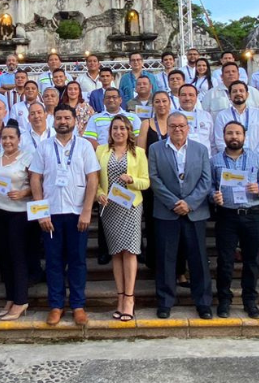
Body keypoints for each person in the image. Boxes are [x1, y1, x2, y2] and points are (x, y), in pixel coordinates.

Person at [29, 105, 99, 326]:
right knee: (53, 262)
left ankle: (78, 305)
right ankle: (56, 305)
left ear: (74, 120)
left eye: (67, 117)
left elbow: (93, 179)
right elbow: (35, 179)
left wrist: (87, 210)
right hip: (51, 214)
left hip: (78, 213)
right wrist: (41, 213)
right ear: (53, 120)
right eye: (58, 117)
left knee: (78, 261)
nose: (62, 121)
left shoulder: (85, 146)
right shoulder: (44, 147)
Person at [148, 112, 214, 319]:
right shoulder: (155, 149)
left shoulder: (201, 149)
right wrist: (173, 203)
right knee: (166, 258)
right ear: (167, 127)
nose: (178, 129)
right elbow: (154, 178)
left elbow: (206, 180)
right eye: (173, 126)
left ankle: (203, 302)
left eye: (181, 126)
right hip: (167, 211)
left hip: (195, 212)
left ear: (188, 127)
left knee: (199, 259)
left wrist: (190, 203)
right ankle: (166, 301)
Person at [211, 120, 259, 318]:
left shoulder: (256, 158)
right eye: (230, 133)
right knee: (225, 261)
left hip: (252, 214)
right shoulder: (215, 161)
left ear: (244, 136)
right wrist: (213, 195)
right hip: (226, 215)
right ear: (224, 136)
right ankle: (224, 300)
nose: (234, 137)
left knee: (252, 261)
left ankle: (250, 301)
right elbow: (209, 185)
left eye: (238, 133)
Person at [95, 116, 150, 322]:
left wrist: (132, 179)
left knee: (130, 251)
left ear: (129, 131)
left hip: (130, 206)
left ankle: (129, 299)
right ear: (110, 131)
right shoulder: (101, 151)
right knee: (116, 253)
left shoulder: (139, 153)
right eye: (115, 128)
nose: (118, 132)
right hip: (109, 207)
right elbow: (95, 180)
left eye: (122, 128)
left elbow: (146, 182)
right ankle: (120, 297)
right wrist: (98, 194)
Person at [0, 124, 33, 321]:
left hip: (20, 214)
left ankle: (21, 300)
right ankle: (10, 298)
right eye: (4, 138)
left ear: (18, 139)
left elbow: (37, 182)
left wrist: (24, 192)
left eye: (11, 138)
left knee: (18, 257)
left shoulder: (27, 158)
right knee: (4, 258)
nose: (7, 141)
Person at [212, 80, 259, 155]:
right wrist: (234, 155)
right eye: (234, 91)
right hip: (230, 159)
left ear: (247, 95)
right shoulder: (222, 116)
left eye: (241, 91)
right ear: (229, 96)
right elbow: (219, 141)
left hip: (256, 158)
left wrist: (253, 156)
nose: (238, 93)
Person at [175, 84, 214, 149]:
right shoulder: (171, 116)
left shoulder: (206, 116)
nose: (187, 98)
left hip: (204, 157)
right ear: (178, 97)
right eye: (184, 95)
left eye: (191, 95)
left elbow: (212, 142)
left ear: (196, 97)